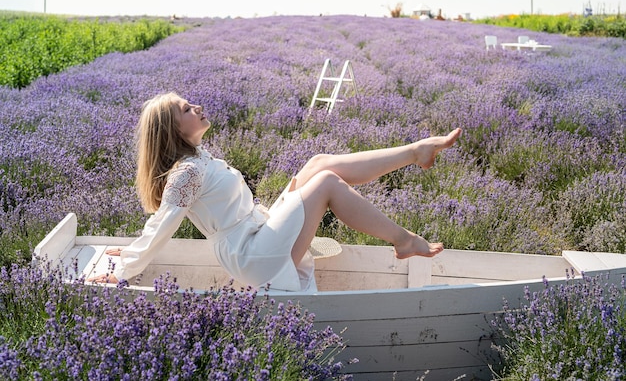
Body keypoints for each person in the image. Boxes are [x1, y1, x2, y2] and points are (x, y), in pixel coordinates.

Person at [89, 92, 462, 291]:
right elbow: (163, 223)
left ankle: (416, 151)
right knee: (327, 183)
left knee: (318, 163)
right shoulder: (186, 172)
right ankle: (403, 239)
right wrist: (125, 268)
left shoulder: (199, 157)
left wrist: (131, 249)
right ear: (173, 128)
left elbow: (159, 222)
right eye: (187, 108)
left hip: (257, 233)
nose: (198, 107)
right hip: (252, 254)